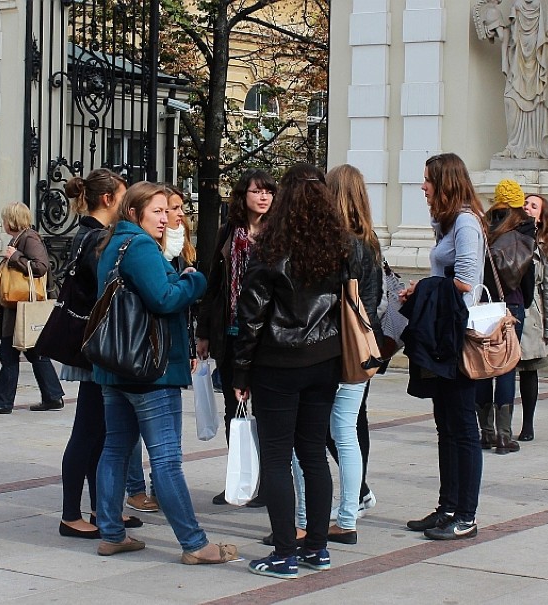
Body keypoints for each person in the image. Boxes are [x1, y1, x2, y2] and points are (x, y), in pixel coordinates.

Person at [93, 181, 237, 564]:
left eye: (167, 211)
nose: (166, 218)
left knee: (115, 451)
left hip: (117, 367)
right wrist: (195, 279)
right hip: (149, 371)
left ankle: (110, 533)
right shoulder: (139, 246)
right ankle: (195, 543)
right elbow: (164, 298)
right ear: (133, 213)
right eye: (156, 211)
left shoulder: (113, 245)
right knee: (166, 459)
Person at [233, 163, 353, 579]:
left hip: (278, 362)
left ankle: (285, 551)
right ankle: (317, 547)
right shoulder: (339, 246)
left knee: (278, 458)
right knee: (314, 455)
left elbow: (250, 316)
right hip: (324, 360)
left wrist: (240, 373)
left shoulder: (270, 248)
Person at [56, 169, 145, 538]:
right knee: (88, 431)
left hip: (91, 344)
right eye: (123, 196)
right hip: (99, 346)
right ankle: (70, 515)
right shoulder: (96, 239)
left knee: (99, 431)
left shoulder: (84, 233)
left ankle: (99, 508)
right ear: (109, 199)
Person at [400, 153, 485, 541]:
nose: (423, 187)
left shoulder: (466, 223)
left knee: (463, 427)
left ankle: (465, 514)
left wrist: (423, 288)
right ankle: (446, 506)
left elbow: (466, 283)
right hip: (441, 335)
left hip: (458, 337)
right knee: (446, 425)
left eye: (428, 180)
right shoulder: (448, 223)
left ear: (445, 182)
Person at [195, 168, 275, 507]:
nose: (263, 196)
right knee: (234, 409)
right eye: (256, 191)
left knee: (270, 411)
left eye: (268, 191)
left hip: (269, 334)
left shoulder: (280, 234)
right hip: (230, 330)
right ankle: (242, 477)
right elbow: (213, 281)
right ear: (243, 196)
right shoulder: (230, 231)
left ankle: (271, 484)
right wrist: (202, 331)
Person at [321, 164, 383, 544]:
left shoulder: (339, 242)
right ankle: (352, 504)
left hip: (337, 345)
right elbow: (370, 301)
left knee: (335, 430)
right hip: (363, 344)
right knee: (349, 428)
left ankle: (350, 505)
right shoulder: (369, 240)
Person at [0, 203, 65, 414]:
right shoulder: (18, 239)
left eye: (5, 218)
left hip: (23, 309)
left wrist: (15, 256)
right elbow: (18, 278)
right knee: (36, 352)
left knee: (8, 355)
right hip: (18, 307)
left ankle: (2, 402)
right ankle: (53, 396)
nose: (3, 222)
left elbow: (41, 267)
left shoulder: (29, 238)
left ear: (12, 220)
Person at [475, 179, 535, 454]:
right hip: (512, 307)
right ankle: (504, 435)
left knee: (484, 367)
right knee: (507, 367)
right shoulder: (522, 231)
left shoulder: (482, 227)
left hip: (484, 306)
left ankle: (485, 433)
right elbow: (528, 279)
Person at [494, 0, 548, 160]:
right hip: (519, 59)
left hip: (543, 60)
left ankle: (538, 147)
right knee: (511, 100)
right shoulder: (517, 3)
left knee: (540, 101)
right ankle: (514, 146)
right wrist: (494, 24)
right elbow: (509, 33)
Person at [517, 194, 548, 441]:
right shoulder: (509, 237)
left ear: (542, 215)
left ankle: (527, 424)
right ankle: (499, 426)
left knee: (529, 370)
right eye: (525, 203)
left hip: (532, 316)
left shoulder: (546, 247)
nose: (527, 208)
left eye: (534, 206)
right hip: (509, 312)